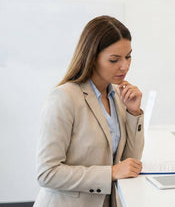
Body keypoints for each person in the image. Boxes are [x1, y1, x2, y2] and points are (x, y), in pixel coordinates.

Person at [34, 16, 144, 207]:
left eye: (128, 56)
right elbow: (47, 173)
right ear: (92, 57)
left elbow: (129, 163)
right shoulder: (64, 97)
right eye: (114, 59)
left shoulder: (117, 97)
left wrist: (133, 113)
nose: (125, 66)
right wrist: (110, 172)